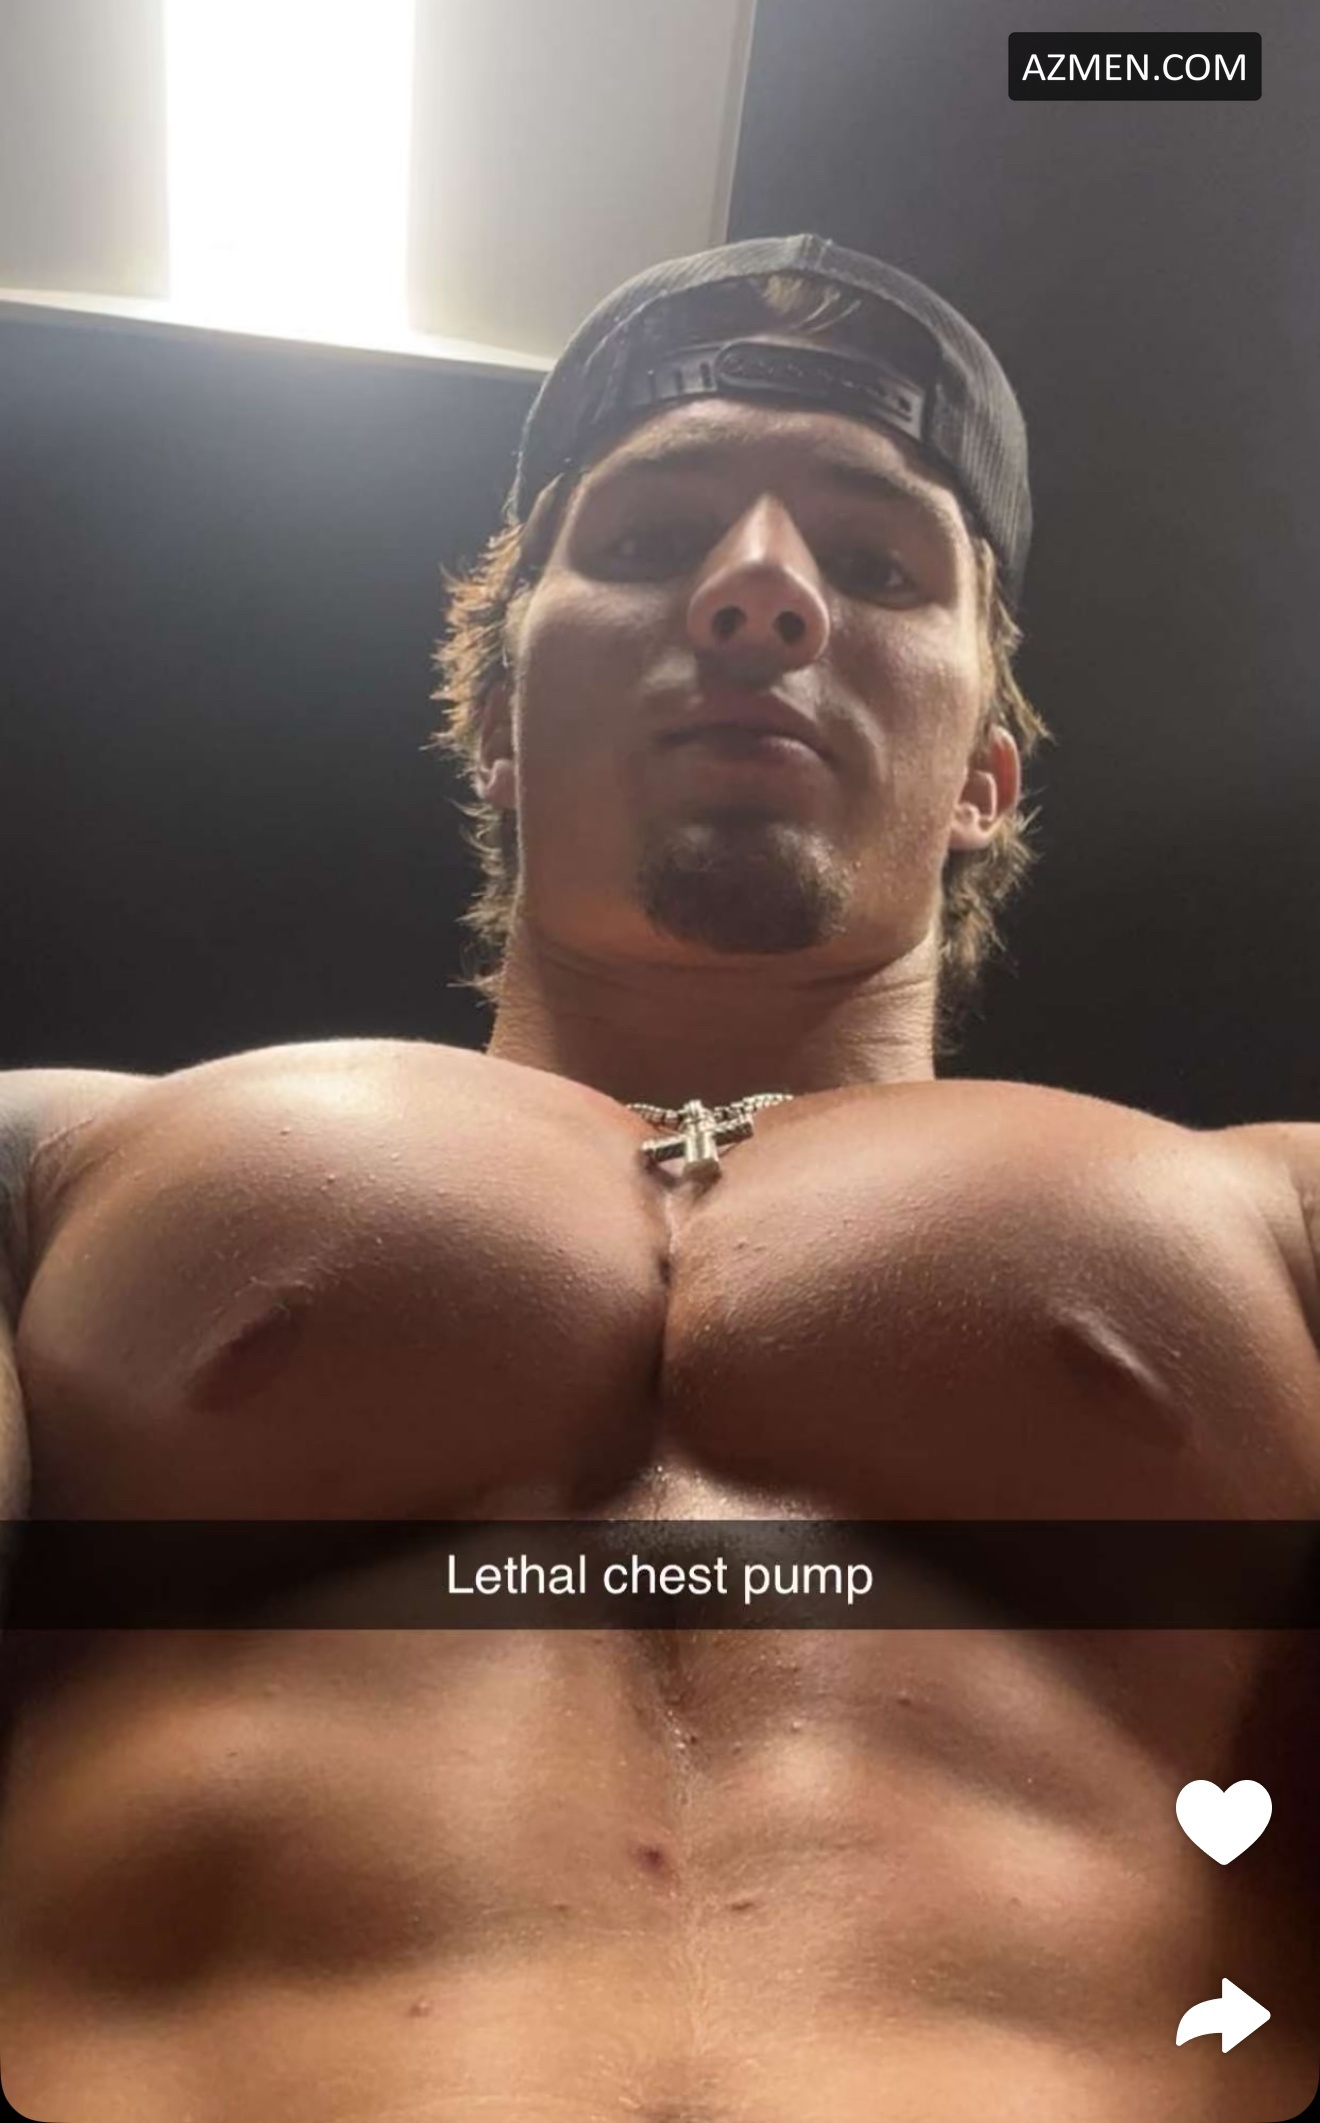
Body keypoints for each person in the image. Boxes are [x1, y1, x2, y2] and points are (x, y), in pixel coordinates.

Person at [0, 232, 1316, 2123]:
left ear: (986, 778)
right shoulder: (59, 1165)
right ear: (495, 725)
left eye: (877, 566)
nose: (760, 588)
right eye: (642, 540)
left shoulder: (1281, 1218)